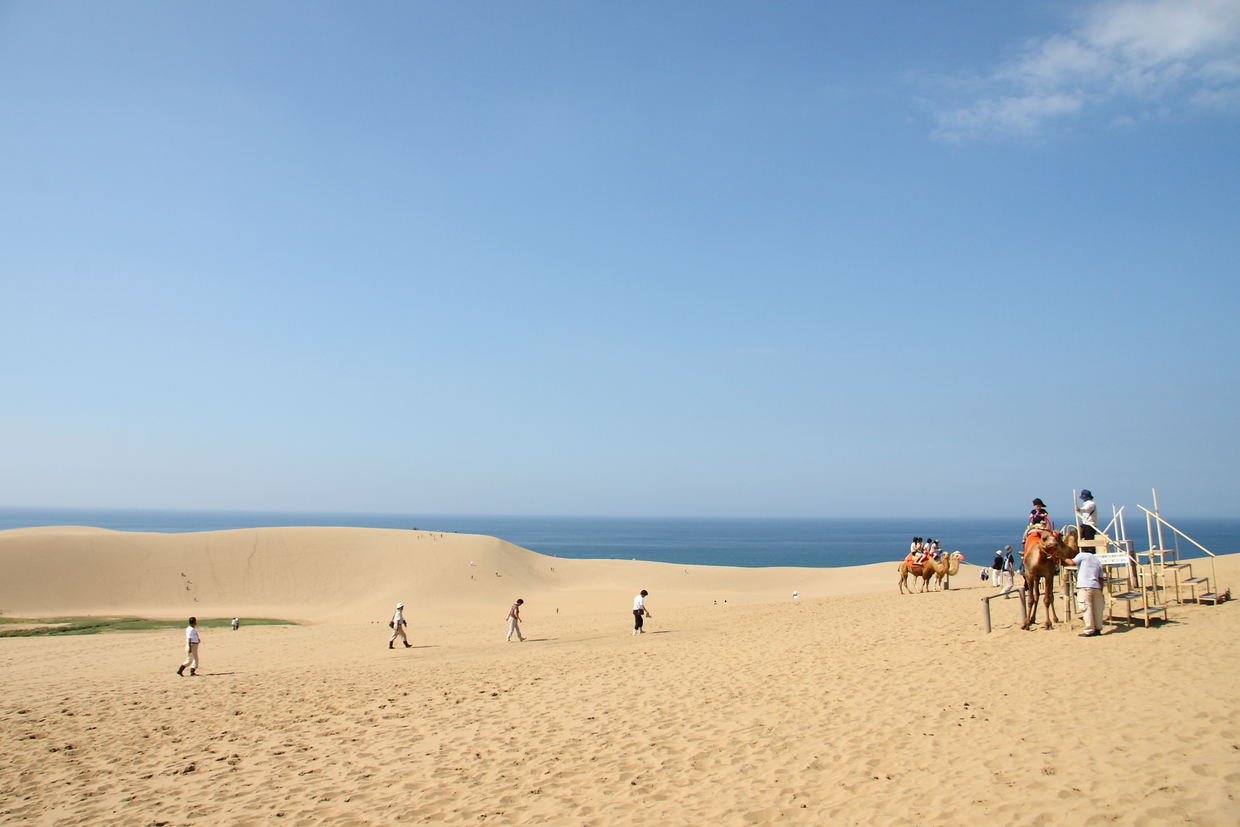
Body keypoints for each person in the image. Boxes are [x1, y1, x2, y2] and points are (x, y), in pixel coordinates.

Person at [1067, 544, 1105, 637]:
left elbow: (1072, 563)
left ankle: (1089, 630)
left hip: (1084, 586)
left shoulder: (1082, 555)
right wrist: (1101, 590)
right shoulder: (1097, 561)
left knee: (1086, 608)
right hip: (1096, 586)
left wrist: (1062, 557)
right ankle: (1098, 628)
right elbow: (1101, 578)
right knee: (1097, 609)